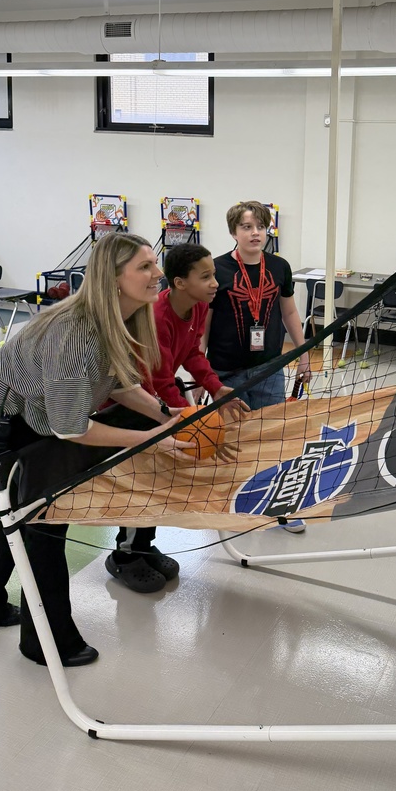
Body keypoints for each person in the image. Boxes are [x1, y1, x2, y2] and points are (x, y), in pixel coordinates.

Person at [0, 233, 194, 667]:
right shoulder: (76, 333)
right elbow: (70, 428)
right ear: (113, 279)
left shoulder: (122, 319)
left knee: (21, 515)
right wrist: (151, 438)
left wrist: (163, 414)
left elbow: (119, 384)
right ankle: (47, 642)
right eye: (145, 267)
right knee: (41, 522)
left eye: (156, 264)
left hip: (30, 420)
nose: (158, 274)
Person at [106, 242, 249, 593]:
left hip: (162, 404)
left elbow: (192, 355)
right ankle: (124, 556)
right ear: (180, 282)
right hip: (134, 404)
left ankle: (142, 546)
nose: (216, 282)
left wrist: (216, 388)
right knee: (140, 479)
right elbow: (157, 376)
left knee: (160, 477)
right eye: (206, 276)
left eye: (214, 275)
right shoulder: (156, 315)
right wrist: (184, 418)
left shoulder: (198, 308)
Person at [203, 201, 311, 532]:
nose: (255, 233)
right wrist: (198, 373)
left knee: (273, 437)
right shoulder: (217, 270)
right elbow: (204, 323)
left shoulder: (279, 267)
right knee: (231, 439)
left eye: (260, 227)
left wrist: (303, 354)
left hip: (269, 368)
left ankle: (279, 506)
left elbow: (290, 313)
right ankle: (230, 502)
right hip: (225, 371)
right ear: (233, 231)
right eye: (247, 227)